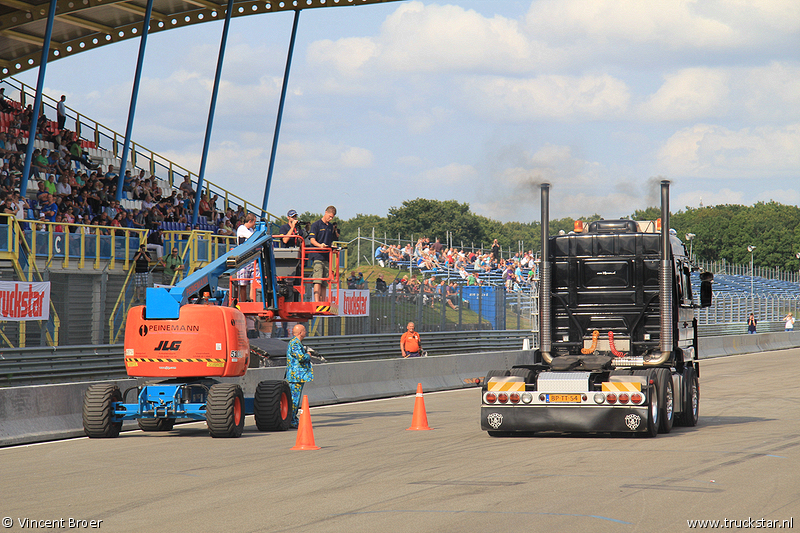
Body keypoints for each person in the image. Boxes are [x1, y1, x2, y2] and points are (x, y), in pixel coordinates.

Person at [284, 324, 313, 428]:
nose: (306, 332)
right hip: (296, 376)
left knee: (295, 398)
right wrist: (308, 355)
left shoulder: (296, 343)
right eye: (304, 331)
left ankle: (293, 418)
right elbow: (300, 357)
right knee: (294, 399)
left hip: (297, 376)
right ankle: (292, 420)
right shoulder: (295, 343)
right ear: (300, 332)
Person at [308, 205, 337, 302]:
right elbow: (312, 240)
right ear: (326, 212)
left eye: (332, 217)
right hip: (317, 255)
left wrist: (331, 247)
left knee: (325, 281)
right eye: (330, 216)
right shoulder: (316, 225)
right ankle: (317, 301)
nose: (330, 218)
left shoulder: (330, 227)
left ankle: (324, 301)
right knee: (318, 280)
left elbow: (330, 241)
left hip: (326, 256)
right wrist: (320, 245)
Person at [236, 213, 257, 302]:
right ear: (250, 221)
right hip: (243, 260)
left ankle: (252, 301)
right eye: (254, 222)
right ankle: (243, 302)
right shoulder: (242, 228)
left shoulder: (251, 230)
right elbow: (253, 238)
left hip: (252, 259)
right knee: (243, 283)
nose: (255, 224)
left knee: (253, 283)